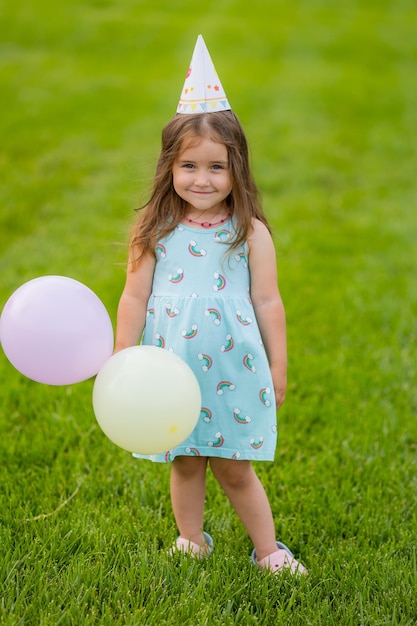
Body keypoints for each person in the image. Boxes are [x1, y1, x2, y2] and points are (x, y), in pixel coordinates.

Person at [114, 35, 307, 575]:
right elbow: (134, 296)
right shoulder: (154, 230)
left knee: (235, 467)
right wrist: (121, 357)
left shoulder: (248, 233)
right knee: (186, 461)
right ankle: (191, 538)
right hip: (170, 370)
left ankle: (268, 549)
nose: (202, 179)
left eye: (216, 168)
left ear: (237, 169)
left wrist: (278, 363)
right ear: (168, 168)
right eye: (190, 166)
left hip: (232, 369)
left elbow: (268, 301)